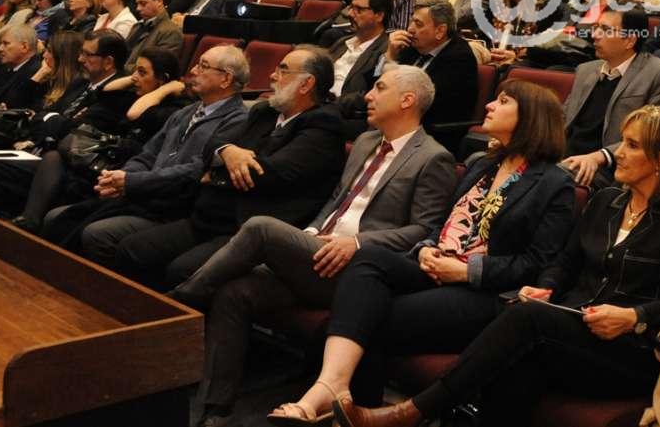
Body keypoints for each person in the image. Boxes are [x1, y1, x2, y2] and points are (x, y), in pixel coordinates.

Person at [331, 105, 660, 427]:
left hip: (631, 350)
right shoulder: (607, 202)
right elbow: (564, 263)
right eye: (623, 141)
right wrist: (546, 288)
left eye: (632, 146)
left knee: (526, 322)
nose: (618, 152)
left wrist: (635, 316)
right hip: (578, 328)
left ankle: (411, 413)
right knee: (517, 364)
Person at [264, 81, 575, 424]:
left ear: (530, 117)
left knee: (371, 318)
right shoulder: (481, 165)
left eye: (503, 102)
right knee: (368, 258)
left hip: (483, 291)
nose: (489, 105)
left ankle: (340, 403)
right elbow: (440, 223)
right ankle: (339, 394)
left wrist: (466, 271)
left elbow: (537, 262)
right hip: (435, 268)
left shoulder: (553, 183)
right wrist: (426, 248)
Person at [170, 64, 457, 427]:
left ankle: (176, 304)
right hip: (319, 251)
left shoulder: (433, 157)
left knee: (260, 227)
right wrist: (311, 230)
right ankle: (214, 411)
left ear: (407, 100)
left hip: (358, 273)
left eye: (379, 88)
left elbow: (423, 229)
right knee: (235, 293)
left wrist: (357, 242)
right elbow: (337, 201)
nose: (368, 96)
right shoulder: (366, 142)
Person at [108, 47, 346, 290]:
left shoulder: (322, 125)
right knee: (133, 249)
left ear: (306, 84)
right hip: (209, 217)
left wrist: (215, 174)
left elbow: (267, 174)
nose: (272, 76)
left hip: (243, 227)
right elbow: (214, 143)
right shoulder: (264, 111)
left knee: (180, 271)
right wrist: (227, 150)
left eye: (282, 71)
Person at [47, 46, 250, 264]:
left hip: (174, 208)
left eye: (203, 66)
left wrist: (132, 181)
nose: (193, 70)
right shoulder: (186, 112)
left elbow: (195, 170)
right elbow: (148, 154)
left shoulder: (238, 120)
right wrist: (121, 178)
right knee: (58, 218)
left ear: (226, 79)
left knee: (95, 232)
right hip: (145, 195)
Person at [0, 31, 137, 225]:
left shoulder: (117, 95)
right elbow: (42, 116)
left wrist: (51, 120)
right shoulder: (81, 82)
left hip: (66, 166)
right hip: (39, 148)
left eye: (87, 54)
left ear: (108, 62)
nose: (80, 59)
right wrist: (52, 120)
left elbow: (74, 132)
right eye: (81, 53)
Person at [562, 8, 660, 190]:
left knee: (542, 178)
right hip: (566, 157)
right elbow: (563, 118)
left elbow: (652, 132)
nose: (595, 35)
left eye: (605, 30)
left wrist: (600, 156)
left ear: (630, 40)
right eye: (596, 27)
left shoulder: (659, 73)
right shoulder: (586, 70)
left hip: (611, 168)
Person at [387, 3, 479, 138]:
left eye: (418, 24)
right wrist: (390, 56)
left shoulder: (459, 58)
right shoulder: (412, 46)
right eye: (411, 21)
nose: (410, 29)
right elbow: (376, 84)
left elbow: (425, 101)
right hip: (399, 121)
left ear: (440, 31)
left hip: (430, 133)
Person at [330, 0, 391, 130]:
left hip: (345, 117)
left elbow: (370, 93)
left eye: (359, 9)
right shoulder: (342, 43)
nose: (350, 14)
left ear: (379, 16)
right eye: (351, 7)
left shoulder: (387, 50)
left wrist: (328, 104)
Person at [123, 0, 183, 73]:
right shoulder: (137, 26)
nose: (138, 8)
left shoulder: (171, 32)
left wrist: (122, 68)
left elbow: (155, 68)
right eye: (137, 4)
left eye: (143, 3)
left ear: (159, 1)